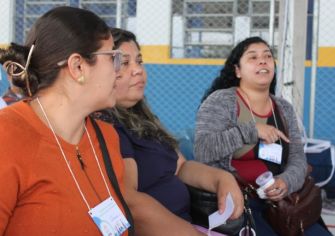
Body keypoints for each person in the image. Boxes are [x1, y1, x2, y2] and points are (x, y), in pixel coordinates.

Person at [96, 28, 244, 236]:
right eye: (125, 63)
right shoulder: (109, 126)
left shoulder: (142, 118)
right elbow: (129, 202)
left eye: (139, 61)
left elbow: (181, 166)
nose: (137, 70)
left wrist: (222, 178)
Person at [0, 7, 132, 235]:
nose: (118, 72)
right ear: (77, 66)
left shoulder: (106, 137)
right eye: (113, 58)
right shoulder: (7, 138)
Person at [194, 36, 331, 235]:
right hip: (240, 203)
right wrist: (252, 130)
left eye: (268, 56)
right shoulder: (221, 101)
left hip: (282, 205)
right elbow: (203, 151)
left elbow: (298, 160)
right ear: (237, 70)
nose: (262, 60)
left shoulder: (283, 108)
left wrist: (285, 182)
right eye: (253, 57)